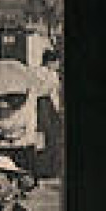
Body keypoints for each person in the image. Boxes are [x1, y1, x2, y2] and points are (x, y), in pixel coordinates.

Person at [31, 49, 63, 181]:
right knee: (45, 136)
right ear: (50, 62)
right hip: (42, 104)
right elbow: (41, 91)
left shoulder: (52, 74)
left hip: (49, 106)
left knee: (53, 137)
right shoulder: (41, 73)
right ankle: (44, 169)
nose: (58, 65)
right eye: (56, 62)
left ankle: (51, 168)